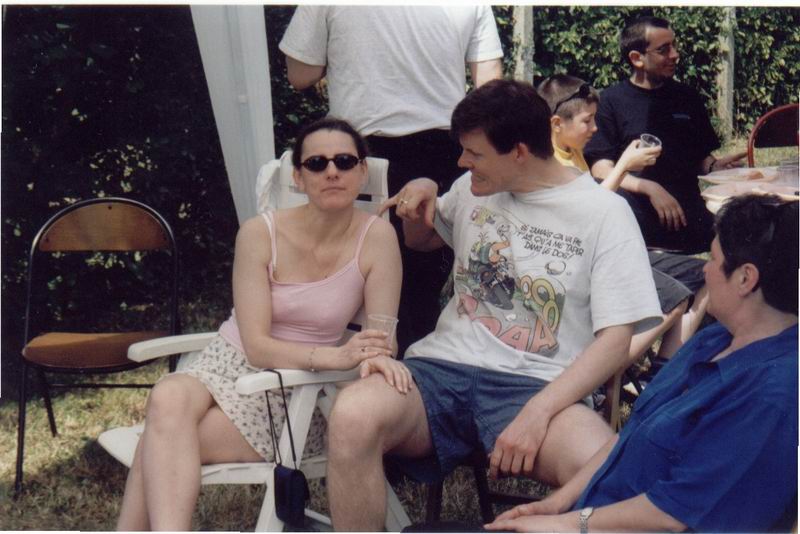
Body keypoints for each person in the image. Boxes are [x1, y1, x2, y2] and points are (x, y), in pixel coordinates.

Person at [325, 79, 662, 531]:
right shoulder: (472, 187)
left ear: (519, 152)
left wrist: (538, 413)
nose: (462, 163)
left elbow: (616, 342)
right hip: (440, 371)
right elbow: (423, 239)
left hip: (538, 384)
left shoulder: (603, 213)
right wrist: (423, 190)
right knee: (352, 414)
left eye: (474, 154)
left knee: (611, 473)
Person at [115, 118, 406, 531]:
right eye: (317, 163)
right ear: (298, 177)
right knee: (169, 393)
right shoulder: (259, 233)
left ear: (362, 170)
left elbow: (381, 338)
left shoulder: (377, 238)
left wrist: (368, 356)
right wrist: (334, 355)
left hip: (296, 393)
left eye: (344, 161)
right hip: (226, 365)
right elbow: (255, 345)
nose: (332, 172)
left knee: (156, 442)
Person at [486, 194, 798, 533]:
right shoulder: (715, 341)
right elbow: (631, 434)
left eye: (713, 258)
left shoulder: (770, 395)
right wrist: (557, 504)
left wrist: (572, 523)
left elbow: (671, 514)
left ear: (745, 278)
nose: (705, 270)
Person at [279, 6, 504, 356]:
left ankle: (375, 373)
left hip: (361, 154)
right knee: (428, 287)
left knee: (353, 282)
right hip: (444, 151)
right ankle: (419, 371)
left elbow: (300, 73)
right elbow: (490, 86)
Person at [538, 74, 709, 365]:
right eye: (587, 121)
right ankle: (605, 370)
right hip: (588, 267)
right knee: (675, 299)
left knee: (710, 274)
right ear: (556, 124)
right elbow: (585, 215)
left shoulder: (573, 150)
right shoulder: (550, 164)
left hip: (618, 253)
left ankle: (660, 370)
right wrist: (624, 167)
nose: (595, 128)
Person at [584, 16, 746, 254]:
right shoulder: (610, 102)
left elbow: (701, 159)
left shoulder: (688, 97)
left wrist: (716, 167)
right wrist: (650, 188)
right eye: (663, 50)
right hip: (638, 225)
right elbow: (600, 170)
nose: (675, 55)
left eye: (674, 46)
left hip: (691, 219)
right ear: (636, 58)